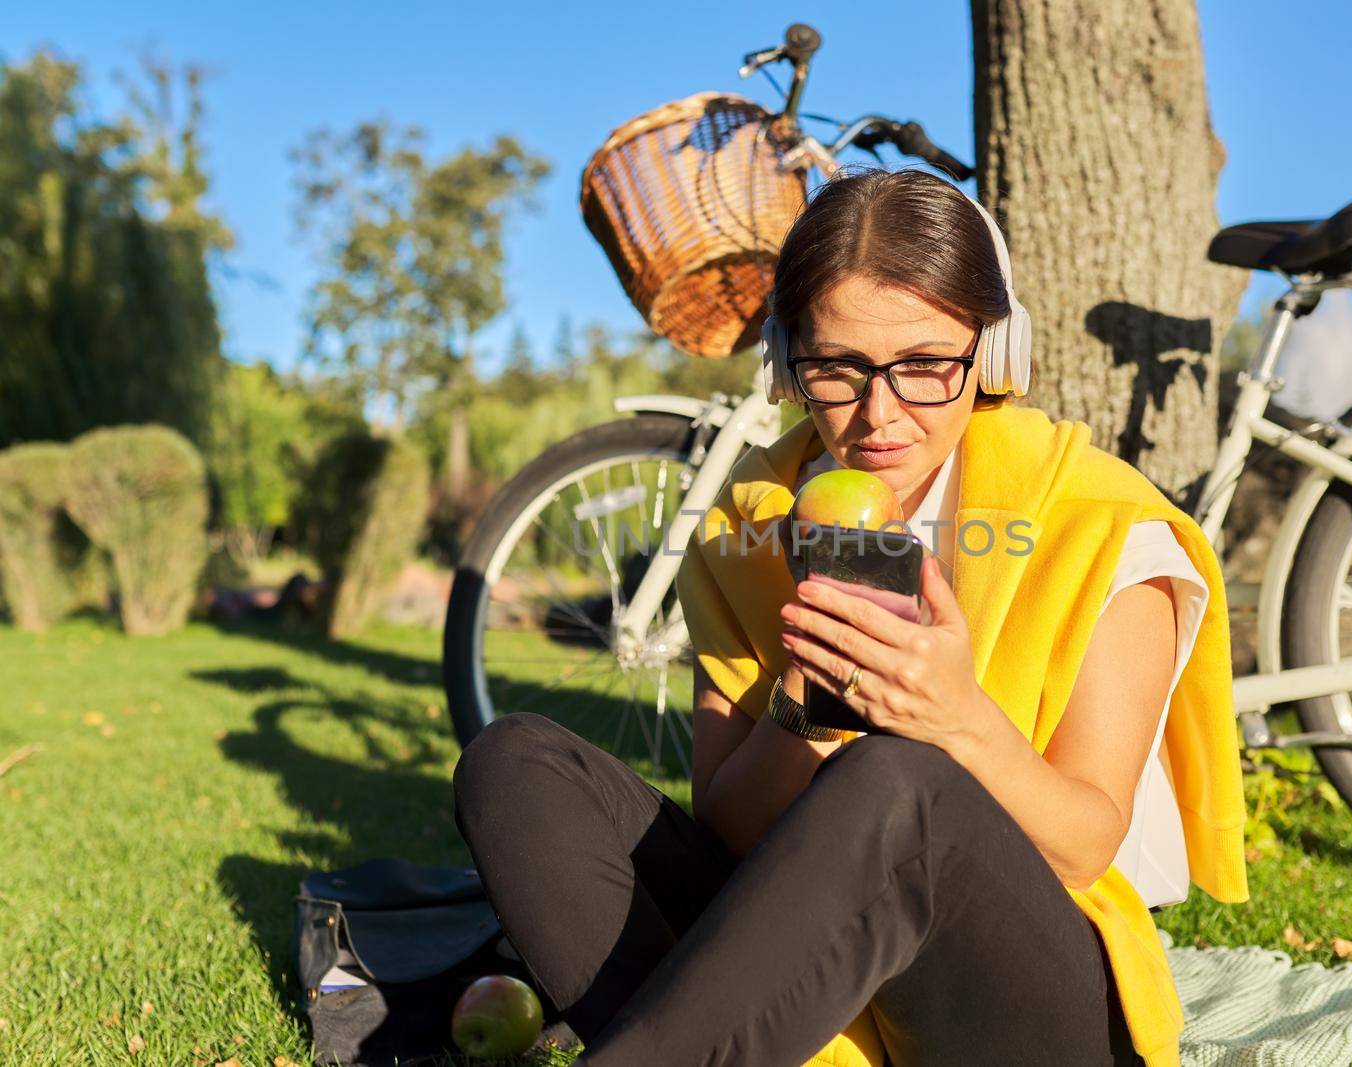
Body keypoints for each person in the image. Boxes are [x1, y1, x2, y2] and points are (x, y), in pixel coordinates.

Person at [452, 167, 1249, 1067]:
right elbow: (729, 838)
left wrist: (956, 720)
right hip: (800, 956)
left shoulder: (1102, 526)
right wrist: (805, 702)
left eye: (924, 366)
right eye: (836, 368)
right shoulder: (745, 528)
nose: (879, 414)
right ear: (788, 361)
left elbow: (1082, 849)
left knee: (897, 780)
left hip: (1026, 995)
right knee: (512, 763)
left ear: (992, 357)